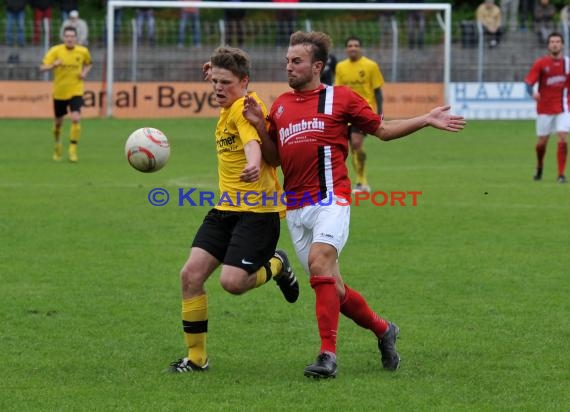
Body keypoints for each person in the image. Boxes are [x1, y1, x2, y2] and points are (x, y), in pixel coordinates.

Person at [243, 30, 465, 379]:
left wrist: (425, 119)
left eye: (296, 61)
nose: (288, 66)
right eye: (287, 60)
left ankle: (327, 355)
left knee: (319, 265)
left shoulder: (341, 99)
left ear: (317, 66)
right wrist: (259, 125)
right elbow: (276, 158)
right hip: (296, 209)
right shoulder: (281, 106)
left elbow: (383, 130)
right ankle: (383, 330)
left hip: (332, 198)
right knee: (335, 288)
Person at [167, 46, 300, 373]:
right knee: (190, 275)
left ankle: (277, 264)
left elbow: (252, 142)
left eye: (225, 82)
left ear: (244, 82)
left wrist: (254, 164)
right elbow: (225, 73)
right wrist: (216, 68)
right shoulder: (232, 98)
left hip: (258, 212)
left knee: (233, 283)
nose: (217, 88)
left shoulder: (243, 107)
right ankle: (197, 359)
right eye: (214, 81)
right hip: (225, 208)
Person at [334, 36, 384, 193]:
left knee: (356, 144)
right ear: (346, 49)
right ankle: (356, 180)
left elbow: (377, 91)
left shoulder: (371, 65)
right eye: (350, 45)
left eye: (356, 45)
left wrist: (380, 112)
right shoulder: (341, 67)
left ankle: (362, 181)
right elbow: (338, 90)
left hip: (363, 111)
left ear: (360, 48)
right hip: (344, 112)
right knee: (349, 149)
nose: (353, 48)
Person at [40, 26, 92, 163]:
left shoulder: (83, 51)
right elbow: (42, 67)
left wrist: (84, 73)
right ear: (63, 38)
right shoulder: (56, 51)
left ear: (76, 38)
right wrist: (53, 65)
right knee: (58, 124)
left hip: (76, 90)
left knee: (75, 118)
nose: (69, 39)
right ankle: (57, 145)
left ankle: (72, 150)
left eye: (72, 36)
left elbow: (88, 64)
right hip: (60, 92)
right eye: (67, 36)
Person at [524, 32, 568, 183]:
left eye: (557, 41)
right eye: (552, 41)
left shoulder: (568, 64)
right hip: (544, 108)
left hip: (564, 106)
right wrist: (532, 93)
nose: (555, 44)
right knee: (542, 142)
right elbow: (529, 83)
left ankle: (561, 174)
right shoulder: (541, 63)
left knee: (562, 137)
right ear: (548, 45)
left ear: (562, 44)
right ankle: (539, 165)